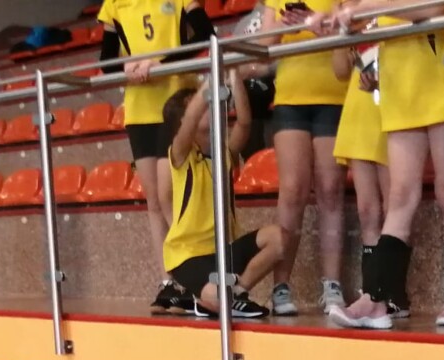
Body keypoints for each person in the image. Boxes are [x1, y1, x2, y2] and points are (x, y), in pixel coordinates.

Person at [313, 1, 444, 329]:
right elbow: (372, 18)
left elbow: (430, 7)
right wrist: (339, 21)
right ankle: (376, 298)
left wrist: (360, 9)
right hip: (400, 81)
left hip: (443, 70)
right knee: (400, 196)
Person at [98, 0, 214, 315]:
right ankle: (170, 281)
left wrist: (159, 62)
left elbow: (205, 35)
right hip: (140, 109)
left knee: (175, 198)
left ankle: (195, 276)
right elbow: (106, 61)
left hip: (177, 104)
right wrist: (126, 67)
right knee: (154, 201)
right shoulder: (114, 5)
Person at [250, 0, 349, 316]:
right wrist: (284, 27)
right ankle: (281, 286)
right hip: (290, 98)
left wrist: (317, 23)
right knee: (292, 191)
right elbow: (262, 51)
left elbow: (351, 28)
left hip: (334, 95)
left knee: (331, 189)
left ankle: (332, 285)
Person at [161, 77, 286, 320]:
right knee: (216, 295)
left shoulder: (223, 153)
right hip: (188, 255)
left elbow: (245, 123)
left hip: (223, 249)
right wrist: (209, 82)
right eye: (203, 104)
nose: (210, 106)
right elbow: (189, 121)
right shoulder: (181, 153)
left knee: (279, 238)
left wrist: (234, 76)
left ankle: (237, 293)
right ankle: (209, 299)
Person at [331, 37, 391, 307]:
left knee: (394, 208)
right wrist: (342, 33)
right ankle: (371, 293)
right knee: (367, 210)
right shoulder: (355, 20)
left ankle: (393, 292)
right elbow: (341, 71)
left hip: (392, 105)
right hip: (359, 109)